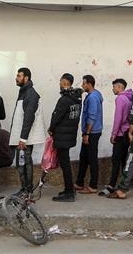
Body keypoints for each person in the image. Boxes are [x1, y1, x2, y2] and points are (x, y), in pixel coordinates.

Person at [9, 67, 46, 195]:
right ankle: (25, 189)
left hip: (25, 139)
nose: (16, 78)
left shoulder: (31, 94)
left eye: (19, 76)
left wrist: (23, 138)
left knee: (24, 164)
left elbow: (29, 117)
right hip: (22, 137)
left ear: (26, 78)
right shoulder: (24, 92)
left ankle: (27, 189)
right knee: (22, 164)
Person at [48, 73, 82, 202]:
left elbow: (56, 117)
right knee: (66, 163)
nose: (59, 84)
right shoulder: (77, 99)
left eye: (60, 81)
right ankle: (69, 189)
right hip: (70, 134)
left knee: (65, 164)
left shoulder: (64, 100)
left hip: (62, 135)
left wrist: (51, 129)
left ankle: (69, 193)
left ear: (64, 82)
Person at [101, 78, 133, 196]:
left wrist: (113, 134)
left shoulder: (120, 98)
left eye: (114, 87)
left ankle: (111, 185)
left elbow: (118, 118)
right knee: (124, 160)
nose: (113, 89)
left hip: (120, 133)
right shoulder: (129, 98)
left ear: (120, 87)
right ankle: (124, 184)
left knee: (116, 160)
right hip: (127, 132)